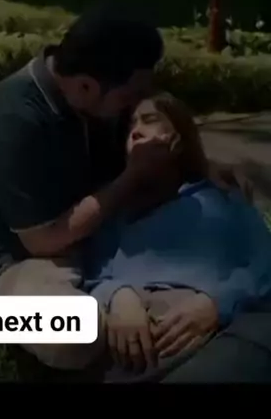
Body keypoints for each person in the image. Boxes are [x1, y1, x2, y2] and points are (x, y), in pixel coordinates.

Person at [0, 3, 249, 373]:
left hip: (101, 249)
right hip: (22, 263)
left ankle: (122, 316)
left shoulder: (99, 99)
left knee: (182, 303)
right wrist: (132, 177)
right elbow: (44, 241)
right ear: (86, 86)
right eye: (129, 96)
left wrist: (202, 166)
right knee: (76, 335)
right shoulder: (11, 115)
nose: (134, 105)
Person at [83, 92, 271, 382]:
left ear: (178, 139)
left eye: (149, 120)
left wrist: (217, 303)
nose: (136, 130)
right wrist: (118, 296)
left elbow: (265, 262)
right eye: (131, 125)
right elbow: (93, 270)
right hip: (134, 353)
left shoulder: (220, 198)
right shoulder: (115, 210)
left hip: (217, 337)